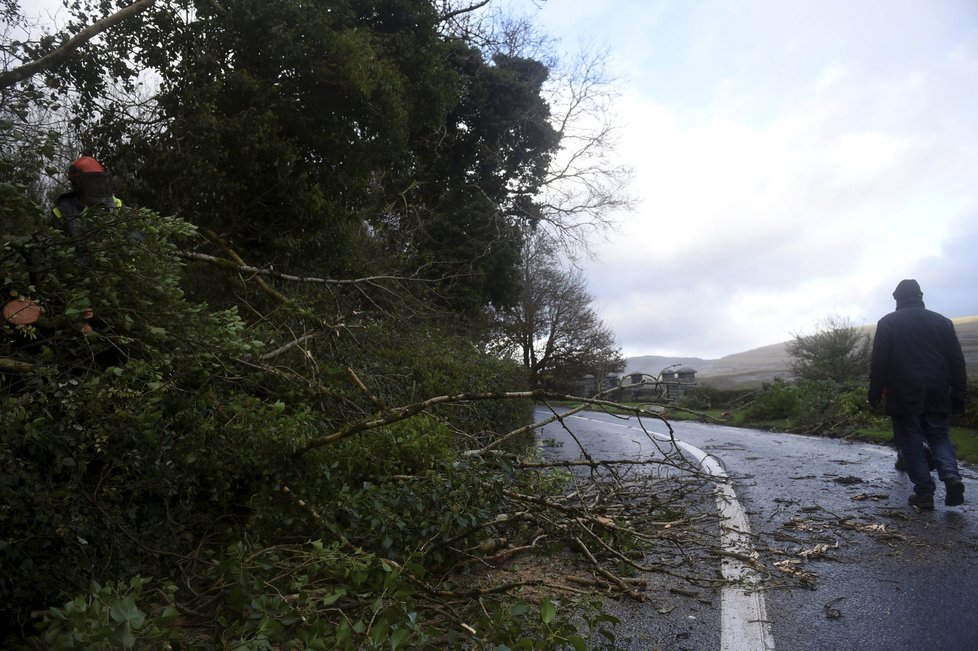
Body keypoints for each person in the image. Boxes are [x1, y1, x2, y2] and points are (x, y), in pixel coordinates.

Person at [868, 279, 967, 510]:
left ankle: (924, 493)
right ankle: (952, 476)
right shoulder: (943, 322)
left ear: (896, 299)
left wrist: (874, 395)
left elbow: (879, 363)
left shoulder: (888, 323)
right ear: (921, 297)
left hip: (903, 391)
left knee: (910, 438)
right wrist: (959, 394)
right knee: (939, 435)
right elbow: (957, 362)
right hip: (937, 389)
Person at [50, 155, 123, 242]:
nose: (99, 186)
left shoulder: (116, 205)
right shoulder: (63, 212)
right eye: (94, 182)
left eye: (100, 181)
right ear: (78, 184)